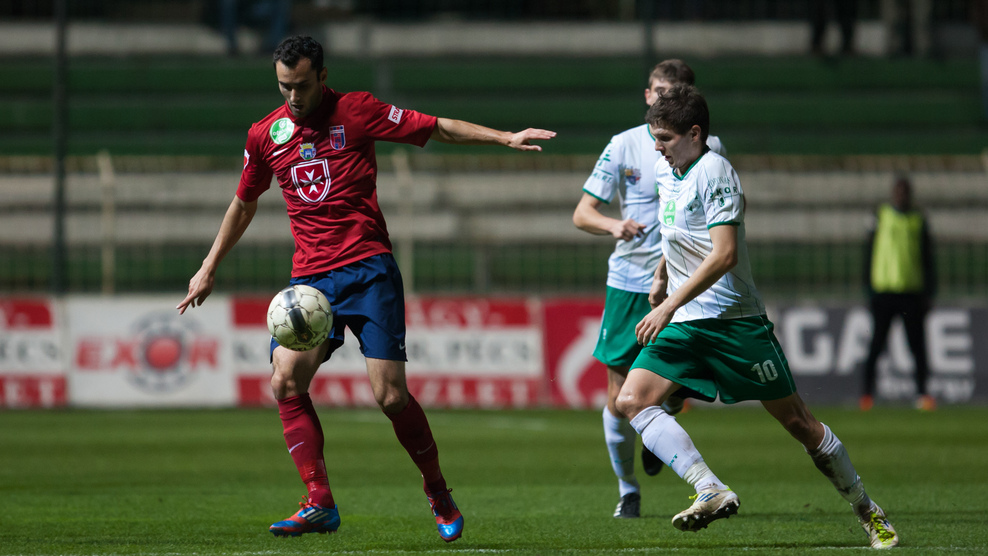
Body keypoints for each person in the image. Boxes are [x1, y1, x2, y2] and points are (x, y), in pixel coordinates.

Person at [176, 35, 554, 542]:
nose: (293, 96)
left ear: (322, 76)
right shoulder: (265, 134)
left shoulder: (356, 111)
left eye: (302, 85)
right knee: (284, 381)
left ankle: (437, 490)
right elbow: (244, 202)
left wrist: (504, 137)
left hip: (368, 270)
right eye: (285, 86)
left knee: (390, 396)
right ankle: (319, 501)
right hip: (311, 282)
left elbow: (435, 126)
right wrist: (208, 266)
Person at [615, 84, 898, 549]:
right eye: (654, 138)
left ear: (694, 133)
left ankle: (867, 509)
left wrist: (668, 304)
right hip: (685, 321)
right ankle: (709, 487)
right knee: (631, 400)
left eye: (664, 138)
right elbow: (677, 229)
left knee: (800, 425)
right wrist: (662, 274)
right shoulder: (668, 171)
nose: (657, 148)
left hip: (733, 321)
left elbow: (724, 254)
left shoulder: (715, 171)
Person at [572, 59, 725, 520]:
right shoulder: (623, 145)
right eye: (658, 92)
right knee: (618, 396)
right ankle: (628, 490)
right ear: (647, 94)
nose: (663, 100)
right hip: (629, 283)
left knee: (672, 387)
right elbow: (582, 213)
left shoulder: (709, 148)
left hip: (683, 284)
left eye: (673, 93)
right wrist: (614, 225)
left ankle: (665, 418)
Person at [860, 176, 936, 412]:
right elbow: (868, 253)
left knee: (917, 346)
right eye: (898, 191)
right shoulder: (880, 216)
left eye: (905, 191)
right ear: (893, 193)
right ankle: (867, 395)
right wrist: (868, 289)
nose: (901, 196)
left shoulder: (918, 219)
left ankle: (922, 394)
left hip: (911, 293)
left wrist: (929, 292)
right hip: (883, 291)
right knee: (876, 345)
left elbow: (928, 257)